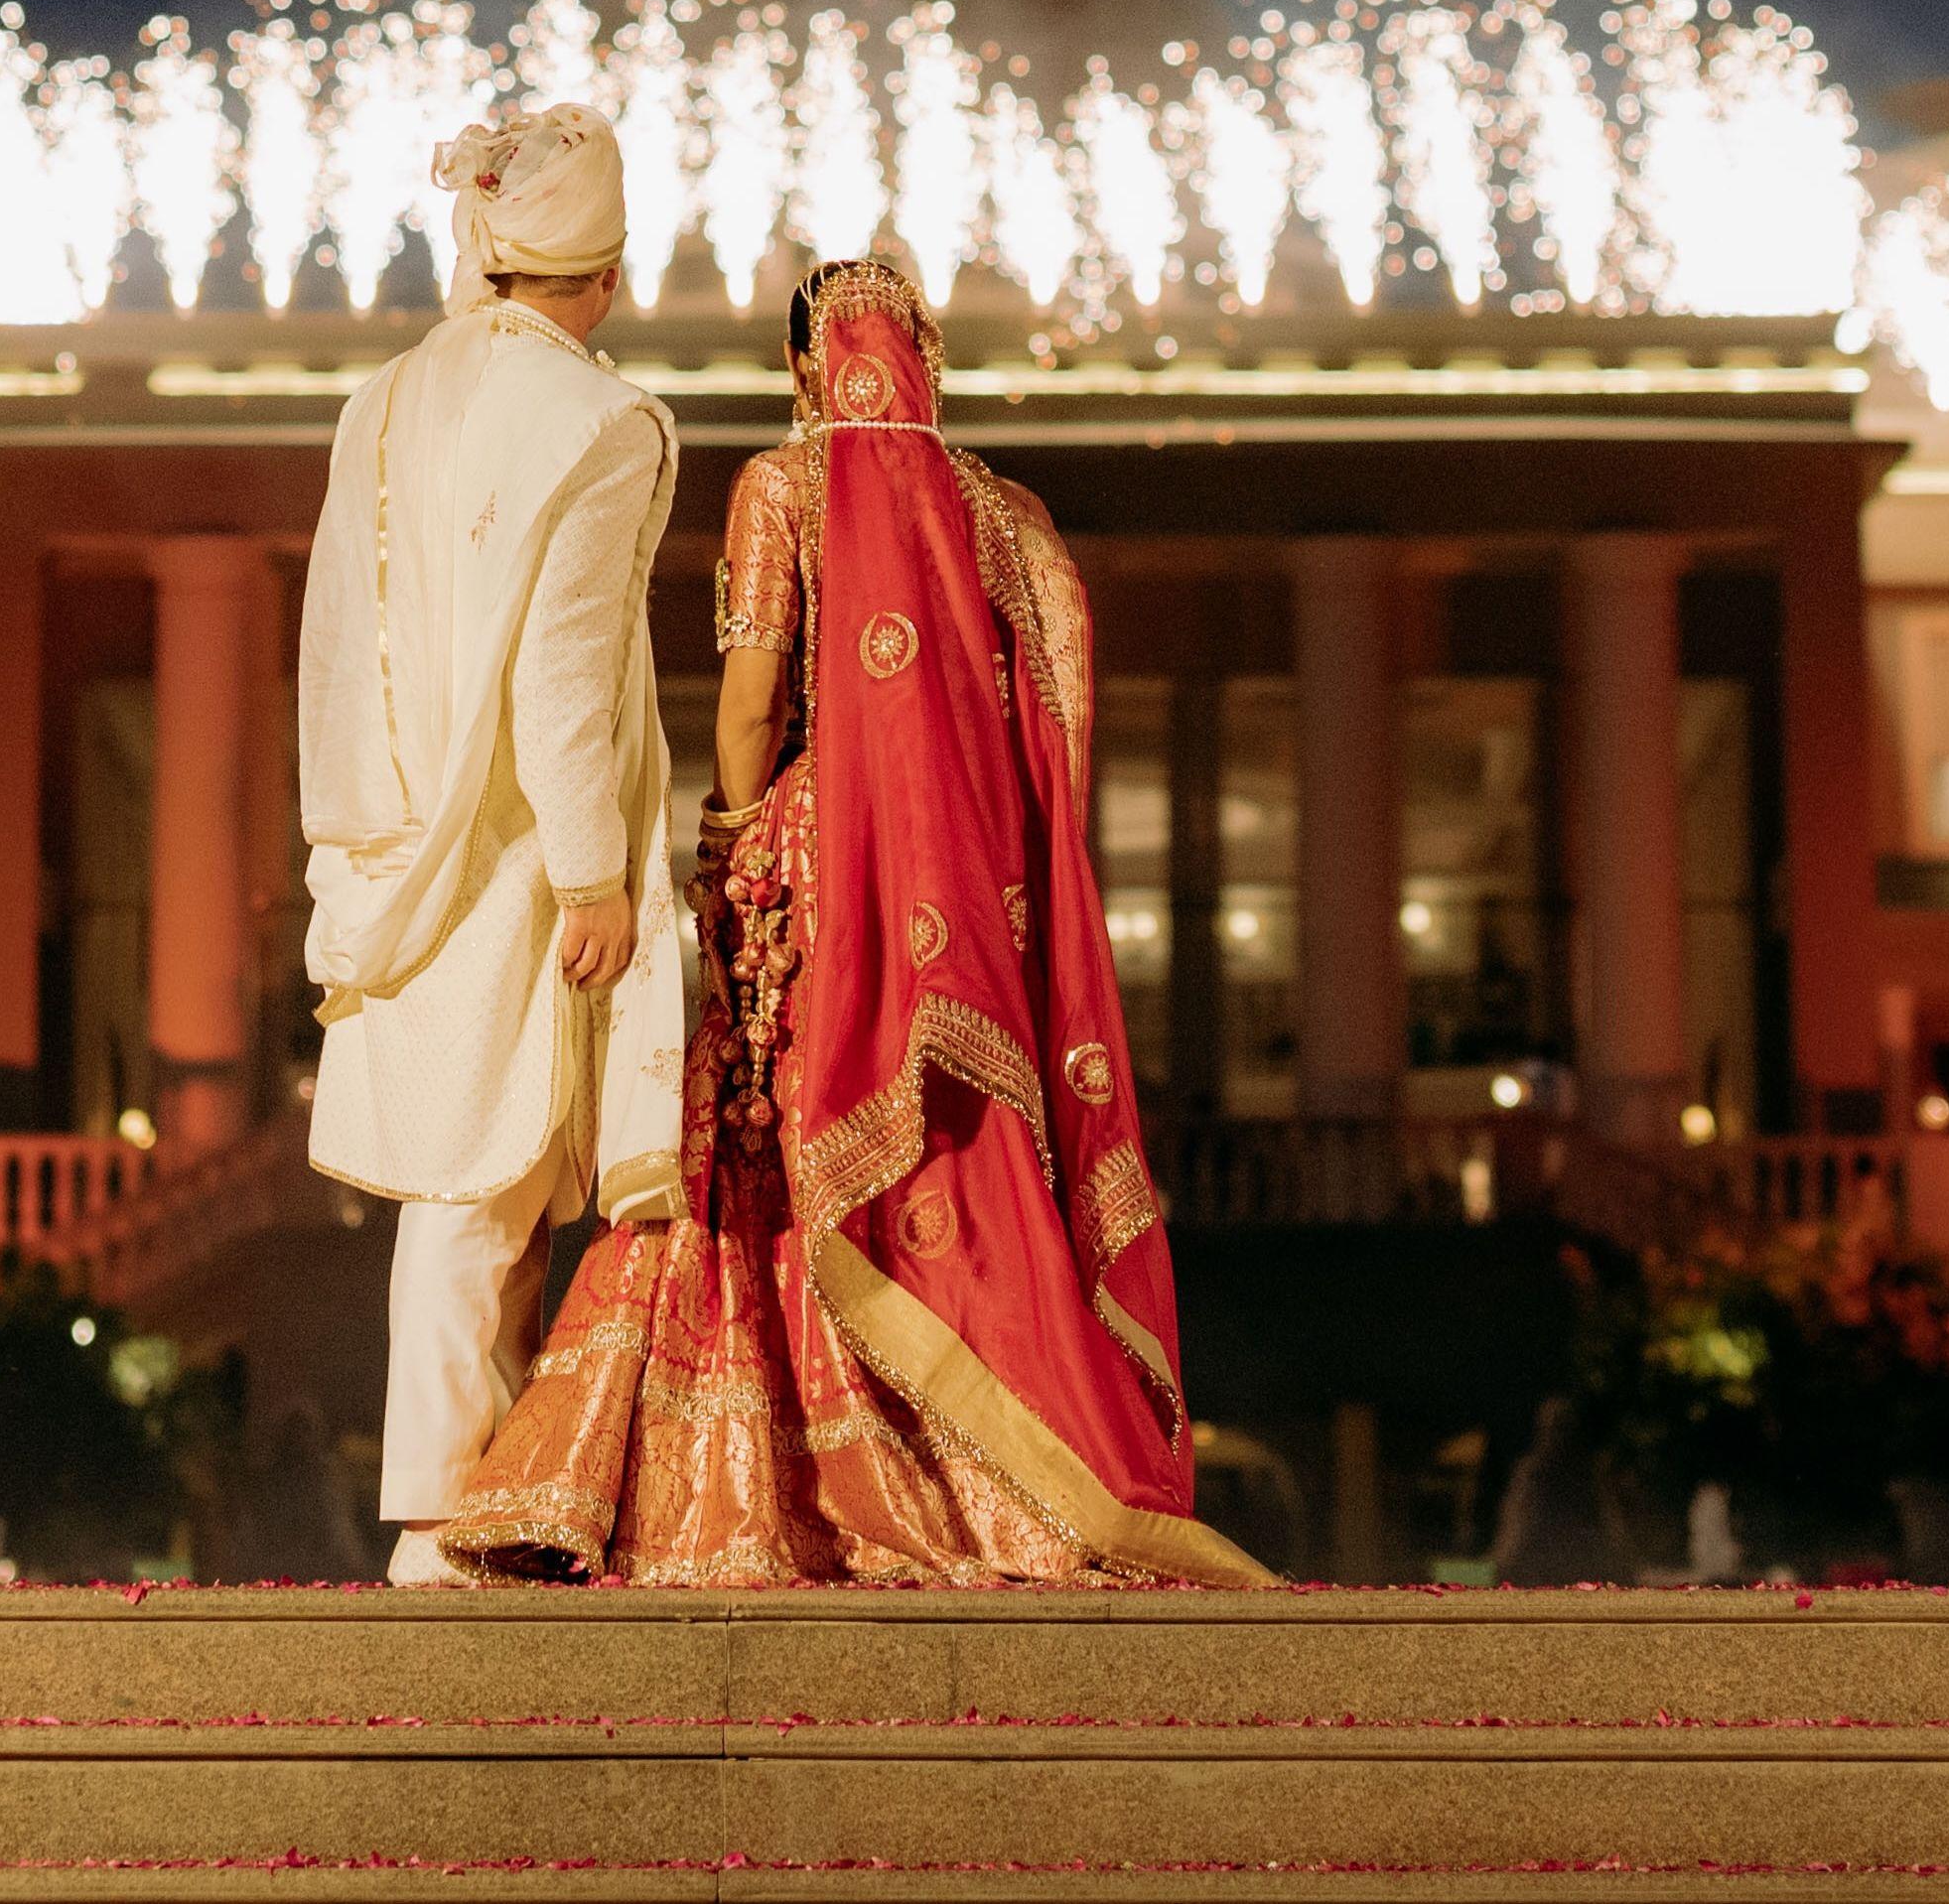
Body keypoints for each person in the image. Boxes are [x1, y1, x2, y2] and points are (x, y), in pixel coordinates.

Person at [438, 256, 1264, 1587]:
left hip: (815, 876)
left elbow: (754, 698)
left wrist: (727, 832)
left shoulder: (783, 485)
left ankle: (761, 1491)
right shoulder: (1008, 515)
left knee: (758, 1156)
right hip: (967, 891)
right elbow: (1046, 732)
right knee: (950, 1178)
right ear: (924, 357)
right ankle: (985, 1488)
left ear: (803, 363)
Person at [295, 104, 682, 1589]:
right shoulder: (599, 420)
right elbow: (564, 675)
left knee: (481, 1187)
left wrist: (370, 837)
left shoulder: (384, 399)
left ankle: (494, 1503)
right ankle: (440, 1513)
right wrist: (594, 872)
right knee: (487, 1188)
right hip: (522, 850)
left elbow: (339, 642)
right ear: (608, 269)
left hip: (395, 840)